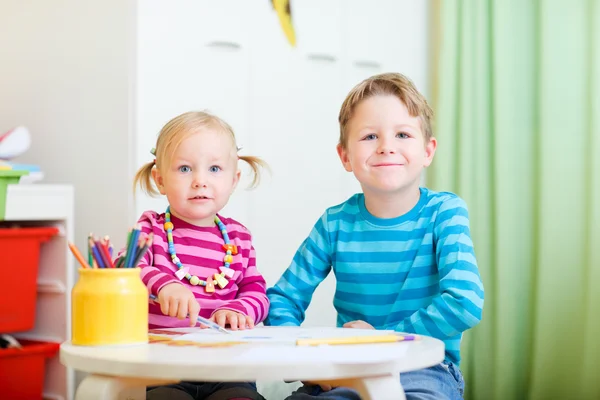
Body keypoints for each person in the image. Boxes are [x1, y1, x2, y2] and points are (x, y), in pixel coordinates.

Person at [265, 73, 485, 400]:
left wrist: (383, 338)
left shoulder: (445, 212)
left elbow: (465, 302)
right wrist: (302, 358)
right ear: (345, 156)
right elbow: (283, 298)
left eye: (402, 134)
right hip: (350, 367)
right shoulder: (334, 223)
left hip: (425, 368)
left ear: (427, 150)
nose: (386, 147)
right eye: (369, 136)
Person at [128, 111, 269, 400]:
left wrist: (241, 310)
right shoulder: (150, 227)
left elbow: (257, 291)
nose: (200, 181)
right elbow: (127, 269)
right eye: (184, 169)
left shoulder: (239, 237)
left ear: (234, 179)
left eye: (214, 169)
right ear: (160, 179)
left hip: (228, 369)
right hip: (163, 370)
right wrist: (165, 284)